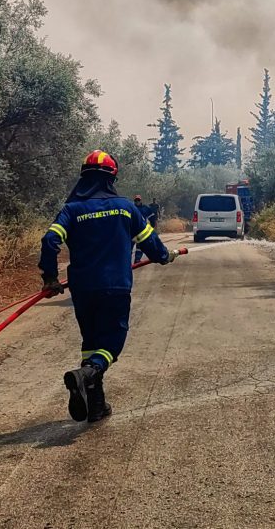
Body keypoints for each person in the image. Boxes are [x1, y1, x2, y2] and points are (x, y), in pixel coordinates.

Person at [39, 150, 172, 423]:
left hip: (83, 290)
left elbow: (49, 240)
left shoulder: (72, 210)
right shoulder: (126, 207)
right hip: (115, 287)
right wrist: (163, 256)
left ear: (84, 178)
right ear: (112, 178)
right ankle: (87, 373)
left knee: (91, 342)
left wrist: (50, 278)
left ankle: (96, 406)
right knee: (112, 342)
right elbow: (152, 244)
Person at [133, 195, 157, 263]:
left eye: (138, 200)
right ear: (134, 201)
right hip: (131, 230)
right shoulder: (131, 208)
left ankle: (137, 259)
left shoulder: (145, 208)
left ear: (141, 200)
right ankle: (126, 261)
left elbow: (152, 218)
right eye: (136, 200)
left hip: (141, 230)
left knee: (140, 246)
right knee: (129, 246)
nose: (137, 201)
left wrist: (152, 226)